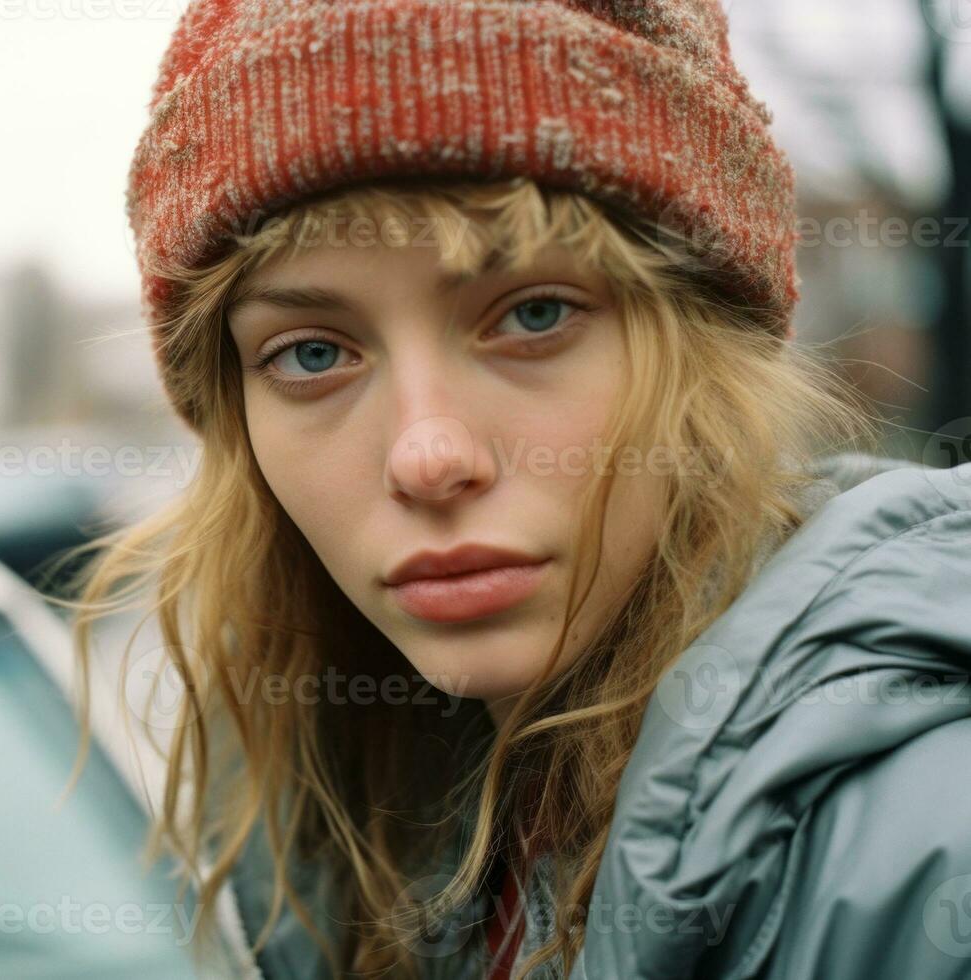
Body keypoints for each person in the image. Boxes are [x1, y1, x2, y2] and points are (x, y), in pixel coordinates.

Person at [47, 1, 971, 977]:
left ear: (712, 354)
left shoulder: (922, 848)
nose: (427, 454)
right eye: (312, 352)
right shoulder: (337, 843)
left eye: (533, 315)